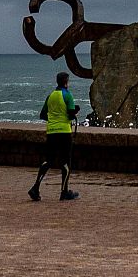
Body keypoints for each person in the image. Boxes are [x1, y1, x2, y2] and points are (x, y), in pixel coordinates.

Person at [28, 71, 80, 201]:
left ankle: (35, 187)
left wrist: (53, 120)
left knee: (49, 160)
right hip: (64, 132)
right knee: (65, 162)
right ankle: (64, 192)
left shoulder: (50, 96)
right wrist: (76, 111)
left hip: (51, 132)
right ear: (66, 82)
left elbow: (43, 115)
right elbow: (70, 113)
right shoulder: (67, 95)